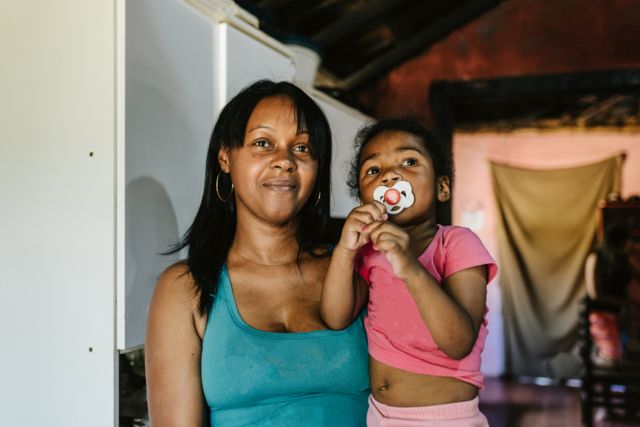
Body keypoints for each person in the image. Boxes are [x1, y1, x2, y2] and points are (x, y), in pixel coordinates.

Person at [145, 80, 369, 426]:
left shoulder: (358, 268)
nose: (284, 161)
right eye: (263, 144)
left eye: (302, 148)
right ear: (225, 158)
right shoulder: (184, 289)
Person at [320, 119, 497, 426]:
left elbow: (458, 343)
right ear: (363, 198)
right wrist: (346, 249)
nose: (389, 176)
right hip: (379, 415)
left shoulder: (457, 243)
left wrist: (410, 268)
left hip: (445, 419)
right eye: (373, 170)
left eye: (409, 161)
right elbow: (336, 317)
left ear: (442, 188)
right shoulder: (369, 252)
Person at [585, 222, 640, 365]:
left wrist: (634, 258)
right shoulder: (596, 258)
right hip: (602, 314)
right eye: (627, 241)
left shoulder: (623, 260)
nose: (630, 245)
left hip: (622, 314)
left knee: (629, 354)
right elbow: (595, 294)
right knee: (611, 357)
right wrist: (625, 303)